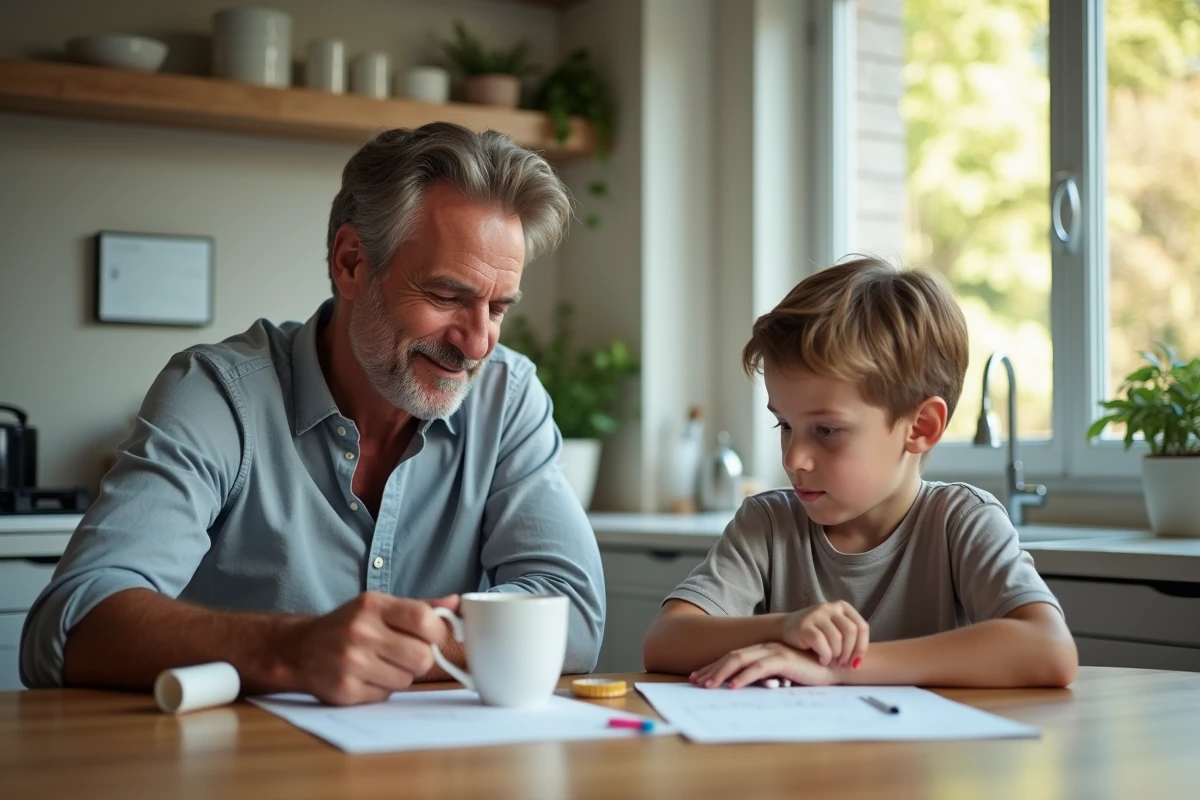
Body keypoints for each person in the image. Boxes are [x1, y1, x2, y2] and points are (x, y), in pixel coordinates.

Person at [21, 122, 606, 705]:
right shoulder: (219, 395)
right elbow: (69, 626)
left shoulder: (508, 397)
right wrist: (290, 650)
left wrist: (402, 648)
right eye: (447, 296)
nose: (478, 344)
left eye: (498, 308)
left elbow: (573, 614)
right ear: (351, 262)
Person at [642, 257, 1078, 689]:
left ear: (920, 428)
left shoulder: (961, 521)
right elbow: (664, 641)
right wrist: (784, 628)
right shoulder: (769, 524)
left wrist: (840, 668)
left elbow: (1049, 649)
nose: (794, 459)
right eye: (785, 425)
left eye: (826, 431)